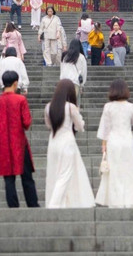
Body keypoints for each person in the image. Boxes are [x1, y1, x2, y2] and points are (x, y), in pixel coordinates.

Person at [95, 78, 133, 208]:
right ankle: (129, 200)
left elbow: (105, 127)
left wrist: (103, 144)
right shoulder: (131, 107)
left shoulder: (108, 107)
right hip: (127, 141)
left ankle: (115, 200)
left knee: (115, 171)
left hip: (113, 141)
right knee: (129, 171)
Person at [0, 70, 39, 208]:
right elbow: (27, 122)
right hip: (19, 142)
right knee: (27, 177)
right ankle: (32, 204)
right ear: (16, 83)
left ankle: (13, 207)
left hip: (3, 143)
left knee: (8, 178)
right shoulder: (21, 100)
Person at [44, 79, 95, 208]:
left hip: (53, 140)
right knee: (66, 174)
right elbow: (80, 126)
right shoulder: (71, 107)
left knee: (54, 173)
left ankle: (60, 202)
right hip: (67, 141)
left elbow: (48, 125)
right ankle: (55, 204)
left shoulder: (49, 107)